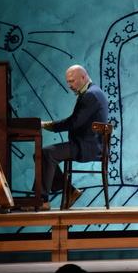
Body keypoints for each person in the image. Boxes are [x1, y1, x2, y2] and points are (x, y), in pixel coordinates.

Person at [35, 65, 108, 210]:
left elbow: (74, 122)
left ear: (83, 77)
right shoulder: (93, 92)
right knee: (41, 154)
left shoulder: (90, 95)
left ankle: (42, 200)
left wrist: (47, 125)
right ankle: (69, 191)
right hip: (88, 144)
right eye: (68, 82)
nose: (69, 85)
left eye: (72, 81)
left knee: (45, 153)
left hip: (87, 147)